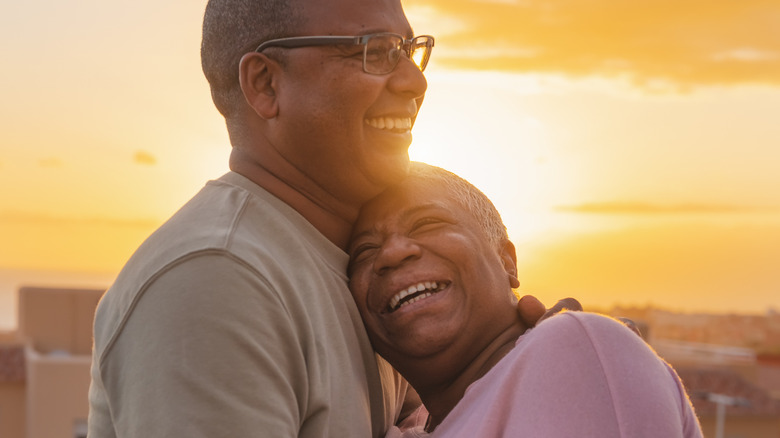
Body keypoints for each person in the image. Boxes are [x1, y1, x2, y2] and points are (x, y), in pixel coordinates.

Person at [87, 1, 555, 437]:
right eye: (376, 51)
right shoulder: (218, 277)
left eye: (409, 50)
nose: (414, 81)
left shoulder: (358, 269)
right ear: (266, 84)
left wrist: (528, 370)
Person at [347, 162, 704, 437]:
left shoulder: (567, 349)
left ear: (507, 262)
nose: (392, 253)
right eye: (364, 250)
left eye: (426, 224)